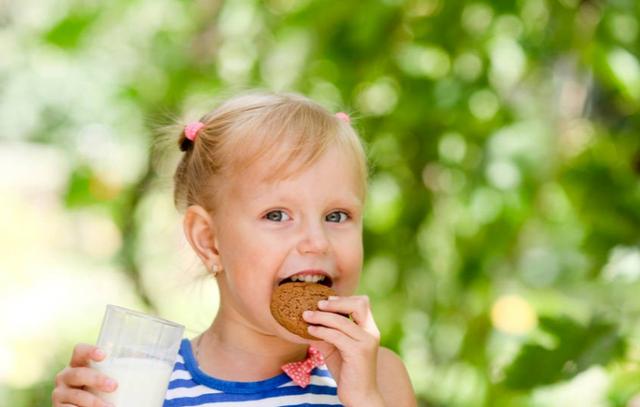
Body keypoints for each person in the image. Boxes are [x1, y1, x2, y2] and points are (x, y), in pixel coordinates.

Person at [52, 92, 416, 407]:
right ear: (210, 241)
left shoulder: (379, 377)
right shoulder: (145, 385)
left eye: (337, 215)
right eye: (277, 214)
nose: (317, 241)